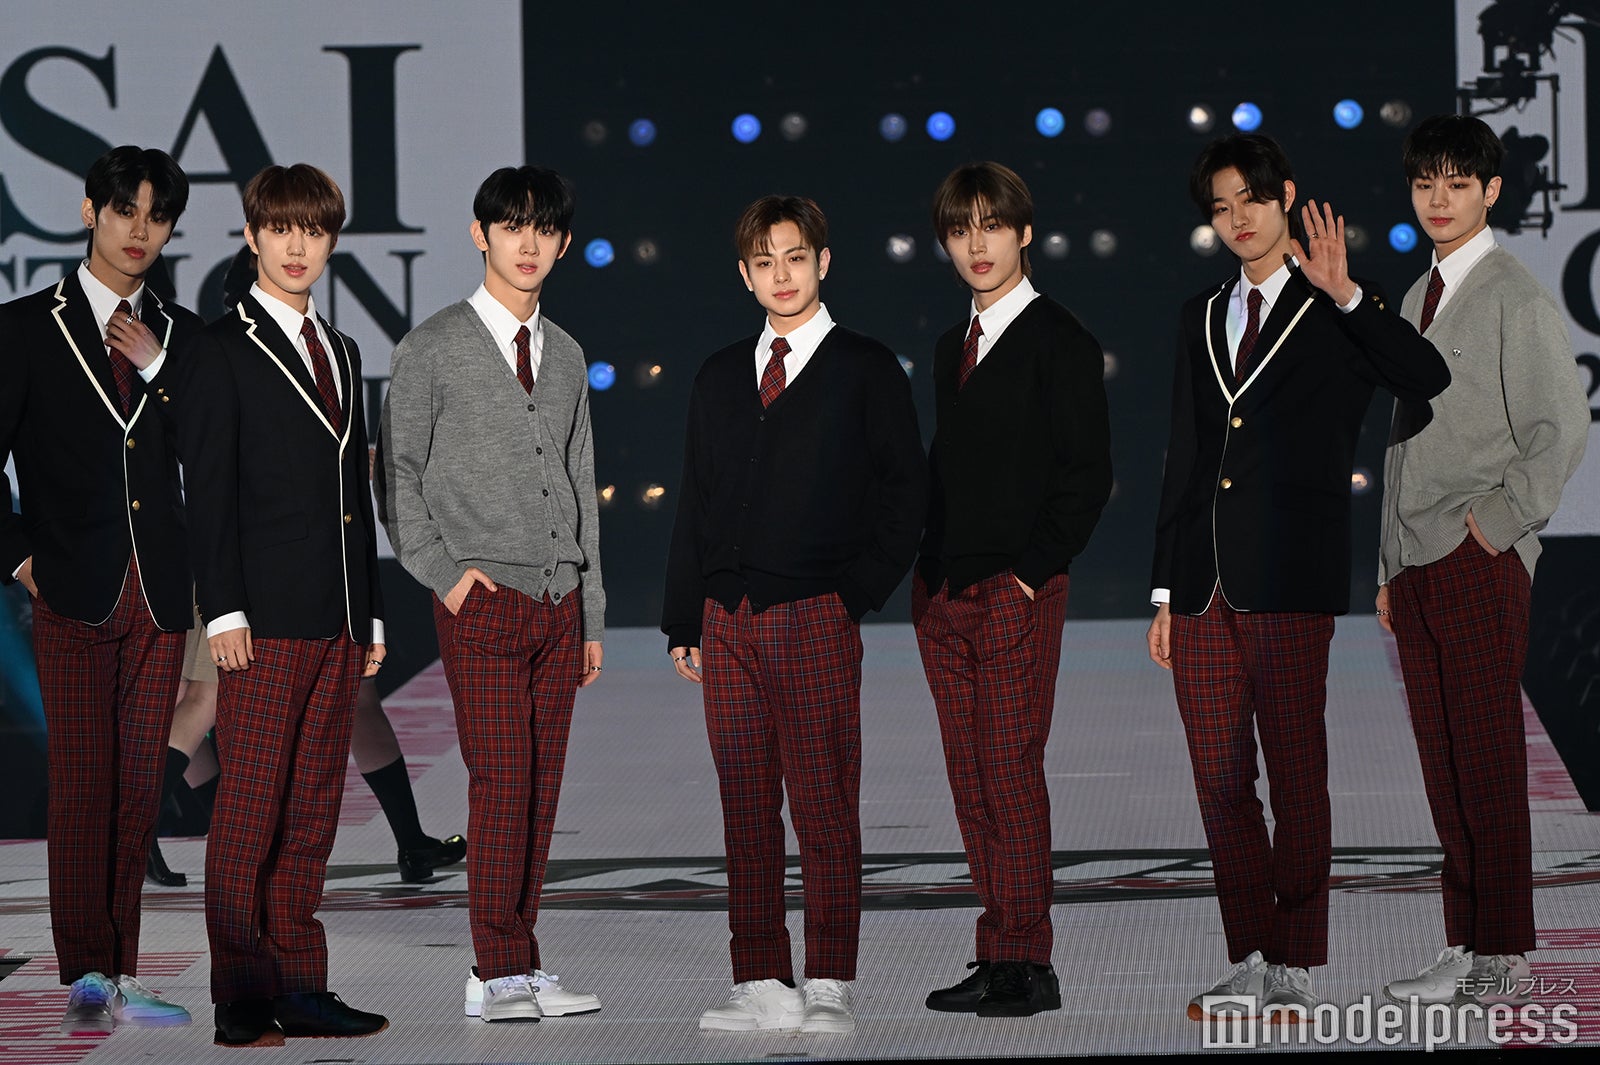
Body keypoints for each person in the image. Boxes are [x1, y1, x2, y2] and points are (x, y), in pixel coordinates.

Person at [1146, 133, 1451, 1022]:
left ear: (1286, 198)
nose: (1237, 218)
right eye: (1221, 207)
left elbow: (1425, 375)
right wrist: (1164, 590)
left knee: (1295, 771)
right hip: (1201, 585)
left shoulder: (1340, 303)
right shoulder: (1202, 314)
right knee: (1217, 779)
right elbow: (1187, 455)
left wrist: (1347, 294)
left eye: (1251, 199)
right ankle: (1249, 954)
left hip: (1289, 574)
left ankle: (1296, 962)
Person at [662, 195, 925, 1033]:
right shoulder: (717, 375)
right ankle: (760, 978)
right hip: (726, 617)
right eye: (764, 261)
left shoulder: (865, 368)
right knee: (744, 805)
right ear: (745, 275)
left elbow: (907, 497)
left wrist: (853, 594)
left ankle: (830, 979)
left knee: (823, 804)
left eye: (795, 257)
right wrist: (683, 617)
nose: (781, 274)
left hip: (815, 612)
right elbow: (697, 501)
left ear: (823, 262)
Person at [378, 164, 605, 1024]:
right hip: (482, 599)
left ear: (563, 243)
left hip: (558, 601)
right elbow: (396, 476)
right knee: (502, 782)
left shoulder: (568, 354)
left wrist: (590, 608)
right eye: (512, 226)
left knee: (540, 788)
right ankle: (497, 964)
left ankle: (515, 961)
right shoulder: (433, 346)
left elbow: (581, 483)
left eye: (543, 229)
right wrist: (445, 574)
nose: (527, 243)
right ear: (481, 234)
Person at [1377, 114, 1589, 1007]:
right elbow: (1400, 443)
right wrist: (1387, 566)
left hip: (1475, 558)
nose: (1439, 198)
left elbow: (1561, 427)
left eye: (1457, 183)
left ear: (1491, 191)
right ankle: (1466, 943)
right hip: (1417, 562)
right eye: (1426, 182)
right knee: (1444, 762)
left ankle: (1503, 953)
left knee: (1489, 762)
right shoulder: (1414, 295)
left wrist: (1494, 526)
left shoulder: (1512, 294)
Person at [177, 163, 388, 1048]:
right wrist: (224, 611)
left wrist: (370, 614)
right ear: (253, 235)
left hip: (336, 622)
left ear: (331, 240)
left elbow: (354, 496)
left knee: (310, 814)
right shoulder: (219, 348)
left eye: (314, 230)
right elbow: (208, 492)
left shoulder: (341, 349)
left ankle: (301, 984)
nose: (298, 246)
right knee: (249, 812)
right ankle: (240, 994)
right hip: (258, 623)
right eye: (281, 228)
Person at [0, 145, 202, 1035]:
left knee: (136, 791)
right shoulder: (21, 328)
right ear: (91, 212)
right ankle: (86, 969)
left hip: (158, 593)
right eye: (125, 211)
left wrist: (160, 368)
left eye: (156, 217)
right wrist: (20, 559)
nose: (138, 231)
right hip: (71, 588)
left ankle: (121, 971)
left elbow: (210, 448)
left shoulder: (183, 334)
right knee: (83, 786)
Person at [912, 161, 1112, 1018]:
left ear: (1025, 233)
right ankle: (998, 950)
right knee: (972, 781)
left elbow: (1087, 475)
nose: (977, 244)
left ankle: (1029, 960)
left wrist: (1030, 573)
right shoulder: (949, 347)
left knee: (1010, 773)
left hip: (1015, 591)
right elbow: (948, 470)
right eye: (961, 230)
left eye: (992, 225)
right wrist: (925, 573)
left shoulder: (1060, 340)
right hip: (945, 596)